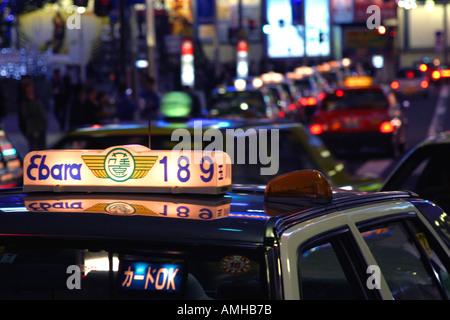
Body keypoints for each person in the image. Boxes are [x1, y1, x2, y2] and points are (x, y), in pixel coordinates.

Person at [18, 81, 47, 152]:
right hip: (32, 128)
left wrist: (45, 123)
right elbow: (24, 116)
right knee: (33, 148)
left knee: (42, 147)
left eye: (31, 88)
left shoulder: (37, 98)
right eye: (28, 88)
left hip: (41, 126)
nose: (30, 90)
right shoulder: (25, 102)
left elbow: (42, 111)